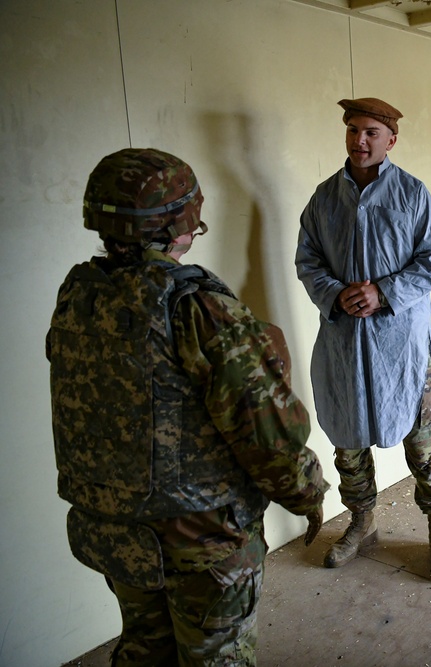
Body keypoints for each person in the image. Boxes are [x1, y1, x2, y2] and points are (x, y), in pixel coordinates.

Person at [47, 148, 329, 666]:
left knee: (143, 649)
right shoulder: (197, 307)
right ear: (181, 223)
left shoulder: (79, 296)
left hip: (116, 533)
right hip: (202, 542)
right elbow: (267, 433)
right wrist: (308, 493)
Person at [295, 97, 431, 582]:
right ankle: (362, 521)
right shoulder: (324, 199)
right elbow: (308, 260)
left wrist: (383, 292)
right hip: (344, 343)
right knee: (347, 438)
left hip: (401, 345)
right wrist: (334, 293)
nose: (359, 141)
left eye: (370, 132)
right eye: (352, 131)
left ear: (391, 140)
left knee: (423, 438)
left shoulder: (411, 194)